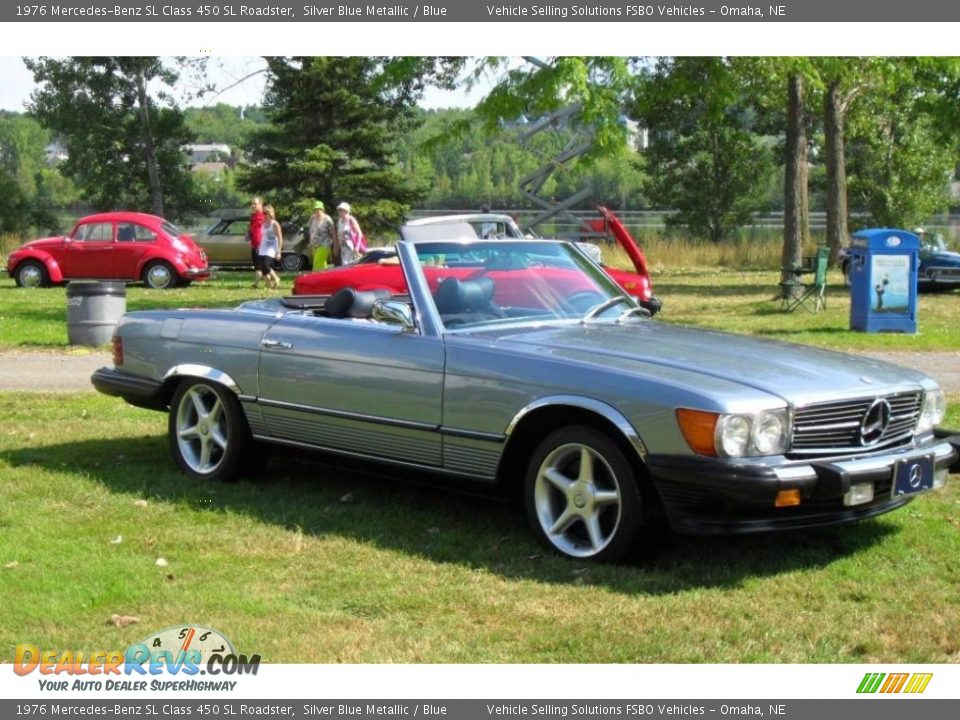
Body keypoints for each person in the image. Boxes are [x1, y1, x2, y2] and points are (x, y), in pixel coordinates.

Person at [257, 205, 283, 290]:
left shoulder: (274, 224)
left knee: (266, 265)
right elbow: (262, 237)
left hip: (271, 248)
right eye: (263, 213)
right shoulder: (263, 224)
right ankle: (269, 286)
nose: (264, 215)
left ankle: (276, 278)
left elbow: (280, 237)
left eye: (266, 213)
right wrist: (258, 246)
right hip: (263, 247)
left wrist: (279, 251)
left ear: (270, 213)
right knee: (262, 268)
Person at [307, 200, 336, 270]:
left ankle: (315, 277)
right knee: (322, 263)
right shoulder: (312, 218)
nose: (317, 211)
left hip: (324, 244)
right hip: (314, 245)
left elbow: (333, 233)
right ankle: (326, 277)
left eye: (319, 209)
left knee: (317, 262)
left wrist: (335, 246)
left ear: (322, 210)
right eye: (316, 209)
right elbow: (311, 231)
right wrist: (310, 243)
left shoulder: (327, 219)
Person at [248, 197, 265, 288]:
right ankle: (266, 282)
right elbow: (252, 229)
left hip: (261, 244)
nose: (253, 206)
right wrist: (248, 234)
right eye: (252, 204)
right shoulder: (253, 216)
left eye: (255, 203)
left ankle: (256, 283)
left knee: (260, 266)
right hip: (254, 244)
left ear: (260, 204)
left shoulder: (264, 216)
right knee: (257, 265)